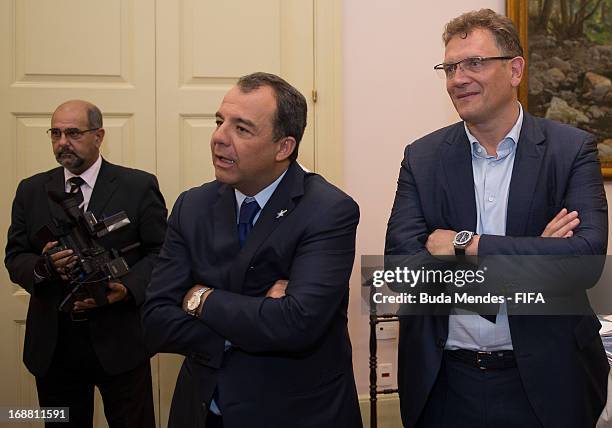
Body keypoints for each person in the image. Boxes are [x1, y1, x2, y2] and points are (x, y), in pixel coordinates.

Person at [385, 9, 608, 428]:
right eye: (450, 67)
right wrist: (538, 258)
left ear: (515, 69)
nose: (457, 78)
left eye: (474, 63)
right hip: (445, 383)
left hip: (549, 380)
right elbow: (403, 273)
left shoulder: (570, 150)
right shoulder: (423, 158)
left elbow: (585, 262)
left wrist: (466, 245)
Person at [142, 72, 362, 428]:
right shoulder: (191, 206)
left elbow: (296, 323)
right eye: (219, 122)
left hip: (294, 414)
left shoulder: (328, 210)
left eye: (241, 129)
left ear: (283, 147)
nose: (218, 138)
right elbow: (155, 320)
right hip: (202, 412)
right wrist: (260, 313)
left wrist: (200, 298)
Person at [5, 100, 167, 428]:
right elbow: (15, 256)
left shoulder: (137, 186)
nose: (63, 141)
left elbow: (162, 253)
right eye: (56, 133)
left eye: (73, 132)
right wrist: (44, 267)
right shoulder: (31, 190)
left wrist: (127, 288)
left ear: (99, 135)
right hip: (53, 347)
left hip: (121, 342)